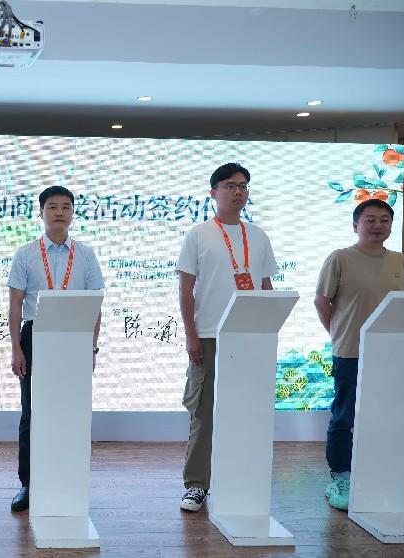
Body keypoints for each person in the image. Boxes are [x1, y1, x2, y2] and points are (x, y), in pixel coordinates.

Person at [175, 163, 278, 512]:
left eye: (243, 186)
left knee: (246, 411)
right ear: (213, 192)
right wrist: (191, 335)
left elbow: (265, 286)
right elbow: (186, 289)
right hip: (208, 335)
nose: (238, 192)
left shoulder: (258, 236)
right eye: (230, 186)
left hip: (248, 338)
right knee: (203, 413)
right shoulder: (199, 234)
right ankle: (196, 485)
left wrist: (267, 331)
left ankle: (239, 480)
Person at [6, 185, 105, 512]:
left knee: (70, 410)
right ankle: (28, 484)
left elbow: (96, 305)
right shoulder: (26, 254)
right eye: (52, 207)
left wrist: (92, 347)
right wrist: (16, 349)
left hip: (74, 337)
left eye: (65, 207)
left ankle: (66, 480)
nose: (59, 212)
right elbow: (15, 304)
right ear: (41, 212)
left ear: (73, 213)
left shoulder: (86, 255)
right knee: (32, 413)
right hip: (35, 336)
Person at [314, 199, 404, 511]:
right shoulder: (340, 258)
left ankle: (374, 474)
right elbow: (322, 301)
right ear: (355, 225)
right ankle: (341, 476)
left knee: (383, 415)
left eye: (384, 220)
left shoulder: (400, 261)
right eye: (370, 220)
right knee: (345, 415)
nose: (377, 226)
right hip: (350, 352)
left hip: (389, 354)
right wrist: (338, 334)